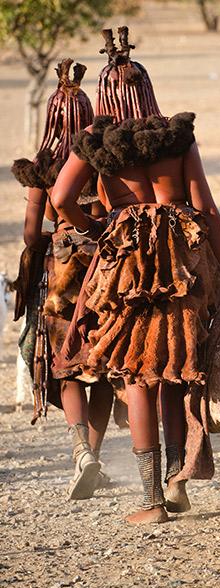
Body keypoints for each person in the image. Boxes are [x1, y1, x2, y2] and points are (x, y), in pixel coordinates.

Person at [50, 27, 220, 524]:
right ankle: (177, 480)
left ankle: (150, 502)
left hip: (127, 266)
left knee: (137, 375)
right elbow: (205, 210)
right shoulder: (177, 139)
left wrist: (98, 228)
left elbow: (59, 200)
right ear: (148, 89)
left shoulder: (92, 143)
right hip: (179, 260)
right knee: (175, 368)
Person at [11, 59, 115, 501]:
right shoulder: (108, 160)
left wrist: (57, 236)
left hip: (62, 277)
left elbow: (33, 236)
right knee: (107, 366)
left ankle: (80, 452)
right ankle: (93, 451)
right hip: (108, 270)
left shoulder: (45, 167)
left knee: (67, 364)